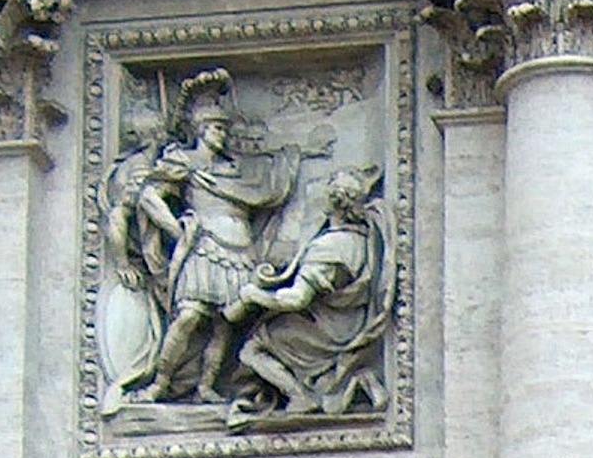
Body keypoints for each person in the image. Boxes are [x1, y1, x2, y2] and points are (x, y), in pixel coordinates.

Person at [107, 69, 305, 406]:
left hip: (241, 249)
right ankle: (160, 384)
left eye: (225, 128)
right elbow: (149, 197)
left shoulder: (233, 168)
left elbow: (266, 190)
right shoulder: (184, 161)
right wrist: (176, 228)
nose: (222, 134)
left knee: (224, 325)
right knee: (189, 316)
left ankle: (206, 386)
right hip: (205, 247)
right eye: (216, 127)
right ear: (200, 129)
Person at [222, 167, 396, 424]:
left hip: (330, 331)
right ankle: (353, 380)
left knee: (254, 347)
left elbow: (297, 299)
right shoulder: (363, 239)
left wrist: (253, 295)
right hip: (351, 320)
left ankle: (300, 396)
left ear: (332, 202)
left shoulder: (328, 248)